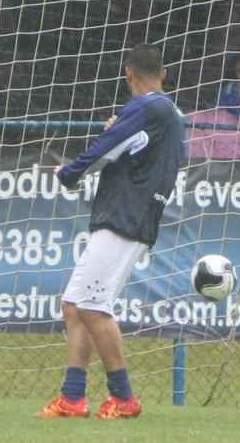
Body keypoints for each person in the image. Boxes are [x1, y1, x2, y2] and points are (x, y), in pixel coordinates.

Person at [37, 43, 185, 420]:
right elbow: (128, 147)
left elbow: (107, 146)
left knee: (91, 305)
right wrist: (119, 131)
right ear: (164, 73)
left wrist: (69, 173)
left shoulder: (147, 106)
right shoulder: (167, 114)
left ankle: (123, 397)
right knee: (74, 304)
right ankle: (72, 397)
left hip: (125, 217)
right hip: (129, 216)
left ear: (128, 74)